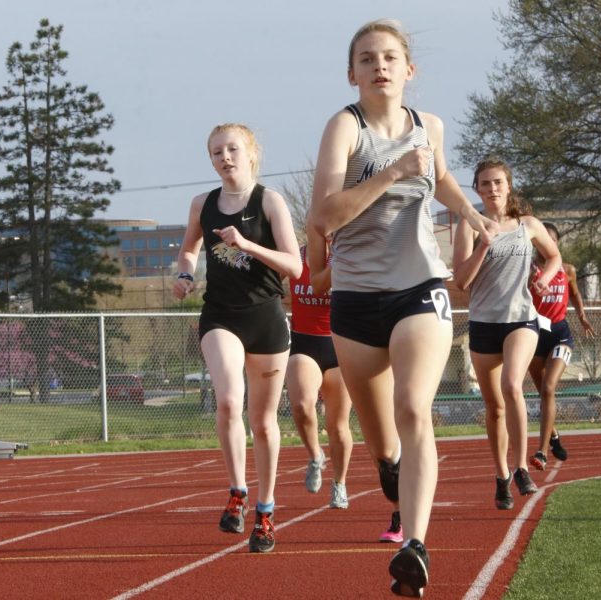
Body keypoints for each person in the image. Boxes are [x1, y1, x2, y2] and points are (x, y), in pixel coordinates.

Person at [307, 19, 498, 597]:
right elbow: (324, 217)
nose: (379, 66)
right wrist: (391, 172)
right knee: (379, 437)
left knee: (414, 408)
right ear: (352, 73)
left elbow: (438, 178)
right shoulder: (345, 128)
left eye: (390, 57)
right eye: (367, 59)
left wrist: (469, 213)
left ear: (409, 70)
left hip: (420, 285)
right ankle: (390, 467)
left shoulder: (429, 125)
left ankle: (414, 546)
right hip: (356, 298)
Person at [172, 123, 301, 554]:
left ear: (250, 153)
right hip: (220, 315)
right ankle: (237, 492)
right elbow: (189, 248)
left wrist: (247, 244)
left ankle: (265, 512)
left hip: (265, 317)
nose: (224, 158)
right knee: (229, 400)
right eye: (215, 152)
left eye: (231, 149)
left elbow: (295, 267)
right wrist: (185, 273)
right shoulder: (202, 204)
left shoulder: (270, 201)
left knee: (263, 423)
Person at [452, 156, 561, 513]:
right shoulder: (468, 227)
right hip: (484, 323)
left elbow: (555, 257)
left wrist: (544, 278)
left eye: (498, 182)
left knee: (513, 386)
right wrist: (484, 242)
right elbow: (462, 281)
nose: (492, 189)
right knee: (494, 406)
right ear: (477, 190)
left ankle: (520, 468)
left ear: (508, 186)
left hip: (521, 319)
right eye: (485, 184)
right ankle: (501, 476)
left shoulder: (527, 224)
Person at [287, 242, 354, 510]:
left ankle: (339, 483)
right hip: (304, 344)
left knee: (338, 426)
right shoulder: (294, 258)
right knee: (302, 406)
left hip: (339, 347)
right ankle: (316, 455)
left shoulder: (347, 258)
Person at [527, 223, 596, 470]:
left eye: (552, 241)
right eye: (542, 240)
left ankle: (542, 452)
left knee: (548, 388)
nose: (547, 245)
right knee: (542, 392)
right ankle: (554, 437)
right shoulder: (529, 270)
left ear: (556, 244)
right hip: (534, 335)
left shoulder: (567, 270)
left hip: (560, 334)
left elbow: (575, 294)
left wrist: (582, 315)